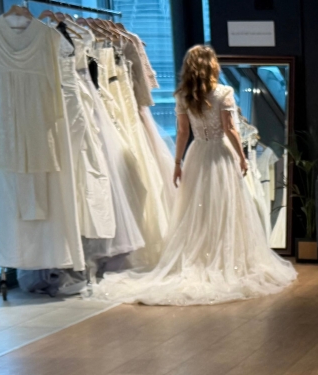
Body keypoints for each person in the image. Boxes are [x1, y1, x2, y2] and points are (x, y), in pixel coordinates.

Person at [95, 45, 296, 306]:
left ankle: (199, 257)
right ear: (212, 65)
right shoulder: (224, 92)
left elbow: (182, 133)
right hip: (220, 156)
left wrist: (177, 162)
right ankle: (227, 260)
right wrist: (243, 157)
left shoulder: (183, 96)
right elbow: (231, 129)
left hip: (197, 155)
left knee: (197, 211)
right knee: (224, 208)